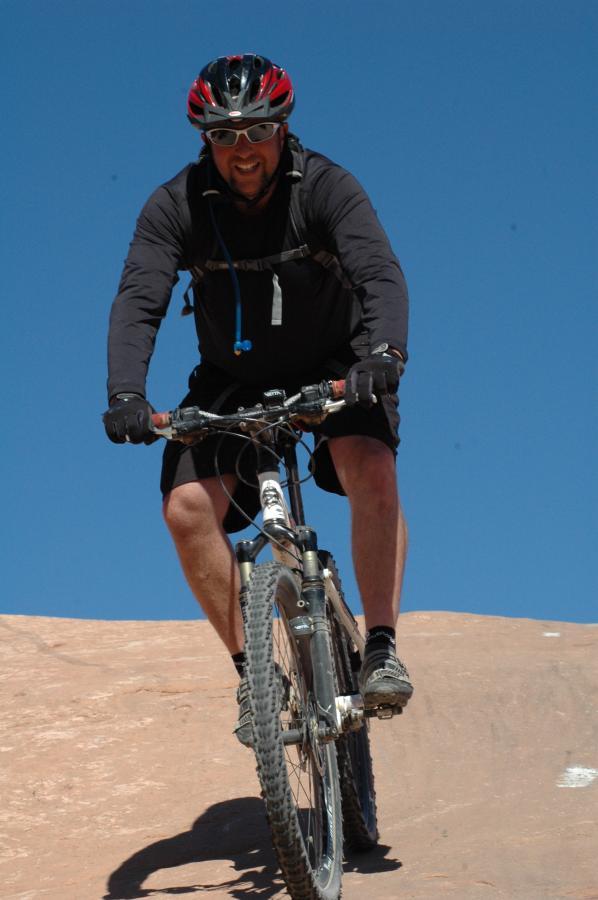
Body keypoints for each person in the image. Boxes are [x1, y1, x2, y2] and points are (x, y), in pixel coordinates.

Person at [103, 53, 413, 744]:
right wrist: (127, 391)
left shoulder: (327, 188)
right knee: (186, 509)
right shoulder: (176, 205)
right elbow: (139, 299)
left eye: (256, 132)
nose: (241, 151)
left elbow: (378, 275)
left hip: (338, 367)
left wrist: (382, 356)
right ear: (204, 141)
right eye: (223, 136)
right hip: (233, 380)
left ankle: (383, 644)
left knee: (370, 463)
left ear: (282, 128)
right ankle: (256, 673)